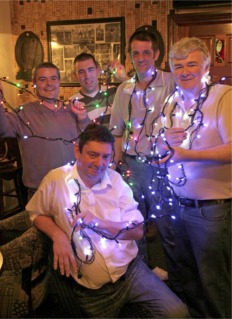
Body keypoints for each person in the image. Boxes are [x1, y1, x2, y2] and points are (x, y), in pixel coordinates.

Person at [26, 122, 189, 319]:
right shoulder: (56, 180)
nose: (100, 163)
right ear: (77, 151)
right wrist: (58, 235)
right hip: (93, 291)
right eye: (93, 155)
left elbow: (137, 231)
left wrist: (99, 223)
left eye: (106, 156)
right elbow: (36, 213)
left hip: (131, 272)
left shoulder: (116, 181)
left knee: (178, 313)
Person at [152, 37, 231, 318]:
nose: (184, 71)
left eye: (192, 64)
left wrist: (188, 155)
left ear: (206, 65)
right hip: (176, 204)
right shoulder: (172, 103)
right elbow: (161, 147)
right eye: (178, 65)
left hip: (210, 208)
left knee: (214, 282)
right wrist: (163, 144)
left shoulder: (222, 96)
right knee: (187, 277)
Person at [109, 29, 176, 283]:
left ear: (157, 54)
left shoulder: (170, 81)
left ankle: (178, 278)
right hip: (131, 165)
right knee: (135, 224)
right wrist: (115, 166)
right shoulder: (123, 90)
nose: (140, 57)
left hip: (162, 167)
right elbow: (116, 132)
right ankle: (143, 274)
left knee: (168, 226)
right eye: (135, 53)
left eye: (146, 52)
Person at [0, 62, 90, 200]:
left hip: (74, 187)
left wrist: (83, 117)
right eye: (42, 79)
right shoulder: (23, 112)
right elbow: (0, 130)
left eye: (53, 78)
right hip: (40, 191)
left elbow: (90, 141)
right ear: (34, 83)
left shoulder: (72, 110)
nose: (49, 83)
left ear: (59, 82)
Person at [70, 52, 127, 127]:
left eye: (90, 70)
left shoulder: (115, 92)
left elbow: (139, 98)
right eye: (81, 72)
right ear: (75, 76)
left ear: (98, 70)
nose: (87, 76)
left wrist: (125, 78)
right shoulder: (72, 104)